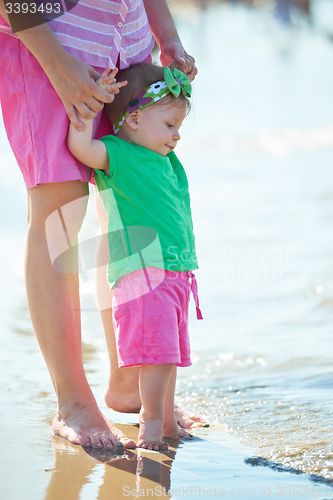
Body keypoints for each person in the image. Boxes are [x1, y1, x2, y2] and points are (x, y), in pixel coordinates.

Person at [0, 0, 202, 449]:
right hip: (51, 45)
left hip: (127, 49)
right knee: (60, 217)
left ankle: (130, 383)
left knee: (128, 212)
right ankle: (73, 401)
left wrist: (166, 36)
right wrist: (57, 61)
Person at [68, 63, 203, 450]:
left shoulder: (165, 161)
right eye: (170, 125)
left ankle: (165, 419)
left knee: (170, 354)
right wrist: (90, 110)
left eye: (178, 127)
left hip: (176, 273)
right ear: (135, 118)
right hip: (143, 273)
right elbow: (82, 148)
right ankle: (152, 423)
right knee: (155, 353)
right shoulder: (119, 153)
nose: (177, 136)